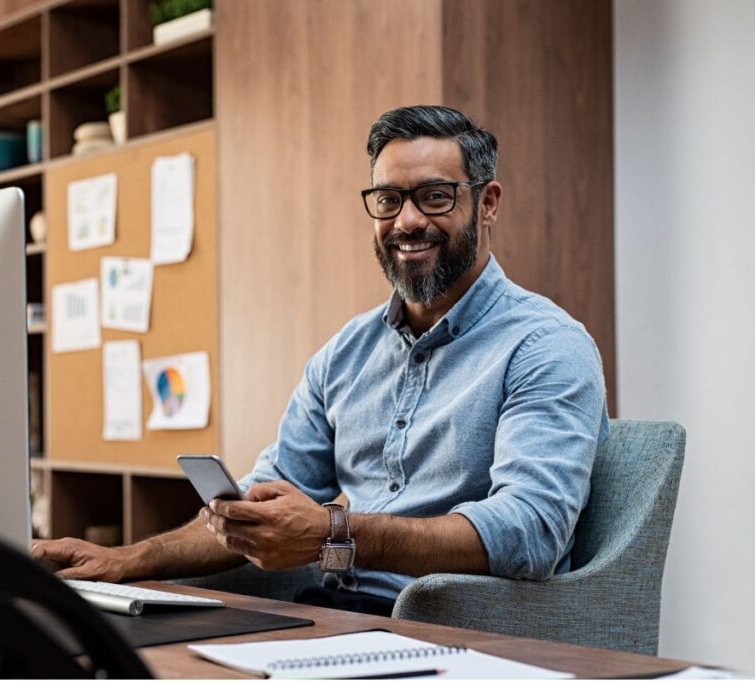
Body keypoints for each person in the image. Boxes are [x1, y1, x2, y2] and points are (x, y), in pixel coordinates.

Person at [32, 105, 609, 616]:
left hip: (450, 630)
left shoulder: (545, 345)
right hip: (329, 615)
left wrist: (336, 530)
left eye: (435, 196)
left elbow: (531, 533)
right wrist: (126, 560)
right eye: (388, 200)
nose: (407, 221)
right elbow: (265, 495)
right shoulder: (345, 354)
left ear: (487, 203)